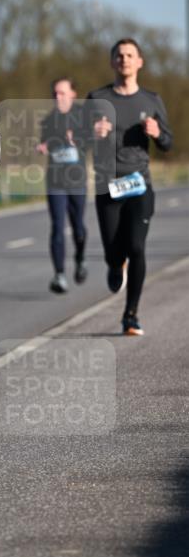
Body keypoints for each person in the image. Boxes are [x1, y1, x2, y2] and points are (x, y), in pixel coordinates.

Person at [87, 38, 172, 335]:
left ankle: (131, 315)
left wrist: (158, 133)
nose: (124, 59)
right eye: (119, 55)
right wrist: (93, 132)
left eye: (130, 55)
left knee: (136, 246)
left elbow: (168, 143)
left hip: (139, 185)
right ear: (112, 62)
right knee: (114, 251)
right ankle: (114, 264)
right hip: (106, 186)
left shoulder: (151, 99)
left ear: (139, 62)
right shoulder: (97, 97)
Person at [36, 78, 88, 293]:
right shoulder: (49, 119)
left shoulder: (83, 116)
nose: (58, 97)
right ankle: (59, 275)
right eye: (55, 93)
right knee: (57, 226)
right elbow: (44, 141)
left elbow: (94, 142)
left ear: (73, 93)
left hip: (77, 180)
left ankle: (80, 259)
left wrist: (79, 141)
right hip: (55, 180)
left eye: (62, 93)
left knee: (78, 227)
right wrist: (43, 146)